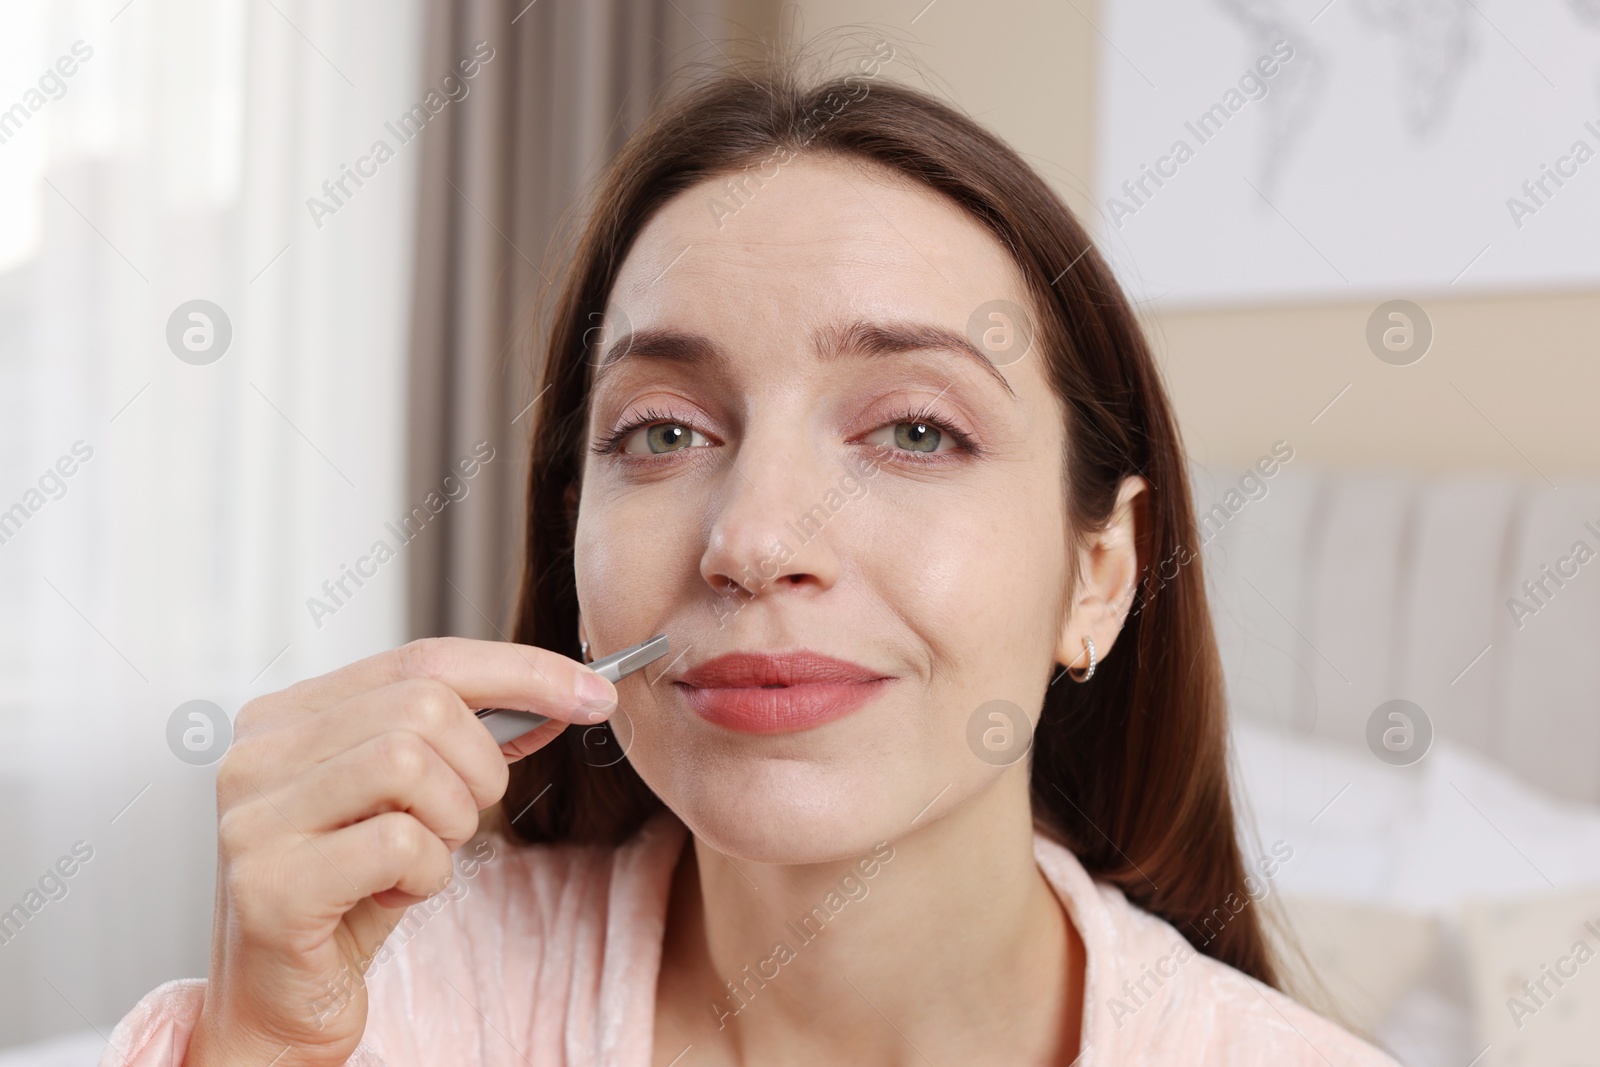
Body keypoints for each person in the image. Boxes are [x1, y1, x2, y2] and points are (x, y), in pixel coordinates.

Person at [101, 56, 1400, 1067]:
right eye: (661, 432)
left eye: (913, 429)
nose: (753, 542)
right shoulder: (390, 1006)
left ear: (1101, 571)